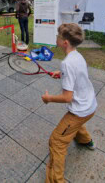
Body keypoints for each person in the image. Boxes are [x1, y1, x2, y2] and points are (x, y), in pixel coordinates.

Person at [42, 23, 97, 183]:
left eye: (58, 36)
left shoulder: (66, 62)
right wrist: (62, 74)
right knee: (76, 124)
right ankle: (87, 141)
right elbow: (78, 72)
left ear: (64, 42)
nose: (56, 38)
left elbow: (67, 97)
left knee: (56, 141)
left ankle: (56, 180)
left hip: (81, 109)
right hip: (91, 105)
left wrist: (48, 99)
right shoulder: (77, 55)